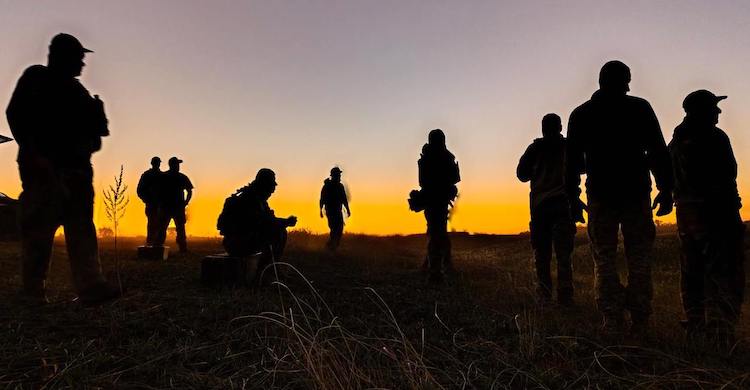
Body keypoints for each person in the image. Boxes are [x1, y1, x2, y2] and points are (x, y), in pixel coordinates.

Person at [5, 33, 120, 304]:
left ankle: (91, 287)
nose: (82, 64)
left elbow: (96, 134)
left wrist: (97, 117)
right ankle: (33, 291)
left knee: (81, 229)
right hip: (44, 170)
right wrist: (35, 154)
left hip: (78, 173)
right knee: (39, 230)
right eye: (78, 58)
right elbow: (16, 114)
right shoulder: (36, 78)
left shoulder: (79, 92)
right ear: (61, 56)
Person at [567, 60, 673, 335]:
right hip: (635, 193)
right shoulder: (639, 108)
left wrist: (573, 198)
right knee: (638, 258)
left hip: (601, 195)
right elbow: (658, 151)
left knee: (604, 259)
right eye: (626, 80)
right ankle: (640, 320)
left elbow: (572, 164)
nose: (628, 85)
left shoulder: (581, 114)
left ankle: (612, 319)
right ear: (616, 81)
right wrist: (666, 188)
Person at [669, 90, 745, 344]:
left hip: (686, 215)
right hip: (717, 213)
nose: (718, 112)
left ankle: (695, 325)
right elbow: (729, 173)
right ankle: (722, 332)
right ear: (702, 111)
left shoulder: (676, 140)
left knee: (692, 270)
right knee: (725, 271)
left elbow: (666, 174)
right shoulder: (715, 137)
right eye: (714, 107)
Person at [517, 114, 576, 305]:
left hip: (540, 207)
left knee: (542, 255)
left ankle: (544, 297)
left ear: (543, 128)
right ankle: (565, 297)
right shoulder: (568, 146)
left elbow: (521, 175)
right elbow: (582, 168)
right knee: (563, 255)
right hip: (562, 205)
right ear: (559, 127)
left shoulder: (535, 148)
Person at [217, 168, 297, 287]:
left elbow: (268, 219)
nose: (272, 191)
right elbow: (264, 222)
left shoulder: (257, 198)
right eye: (271, 186)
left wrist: (282, 222)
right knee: (277, 232)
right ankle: (264, 273)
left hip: (240, 241)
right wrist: (284, 222)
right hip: (236, 243)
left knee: (278, 230)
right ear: (263, 185)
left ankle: (271, 269)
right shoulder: (249, 199)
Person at [417, 129, 460, 284]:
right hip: (435, 200)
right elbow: (454, 178)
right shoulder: (440, 157)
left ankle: (434, 265)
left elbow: (453, 179)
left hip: (435, 200)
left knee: (437, 232)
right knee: (437, 233)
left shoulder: (430, 157)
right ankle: (435, 273)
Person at [156, 157, 193, 253]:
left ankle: (158, 248)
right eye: (177, 164)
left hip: (167, 207)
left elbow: (157, 191)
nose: (178, 166)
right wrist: (185, 202)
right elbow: (189, 191)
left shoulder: (163, 176)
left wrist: (185, 202)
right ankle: (182, 249)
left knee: (164, 228)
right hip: (175, 207)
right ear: (173, 165)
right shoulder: (181, 177)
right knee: (178, 228)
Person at [319, 166, 351, 250]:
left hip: (338, 211)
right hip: (330, 211)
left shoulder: (340, 186)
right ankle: (330, 248)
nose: (339, 176)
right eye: (338, 175)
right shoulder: (327, 186)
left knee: (339, 229)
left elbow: (344, 199)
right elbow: (322, 199)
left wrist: (348, 210)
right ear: (334, 175)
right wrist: (321, 211)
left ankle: (332, 247)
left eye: (339, 175)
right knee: (334, 229)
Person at [136, 156, 163, 246]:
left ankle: (157, 244)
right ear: (153, 163)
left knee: (159, 225)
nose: (157, 164)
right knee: (152, 224)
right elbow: (139, 190)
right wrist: (147, 200)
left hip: (160, 205)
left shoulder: (162, 176)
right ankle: (151, 243)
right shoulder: (147, 175)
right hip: (152, 204)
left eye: (158, 162)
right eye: (156, 162)